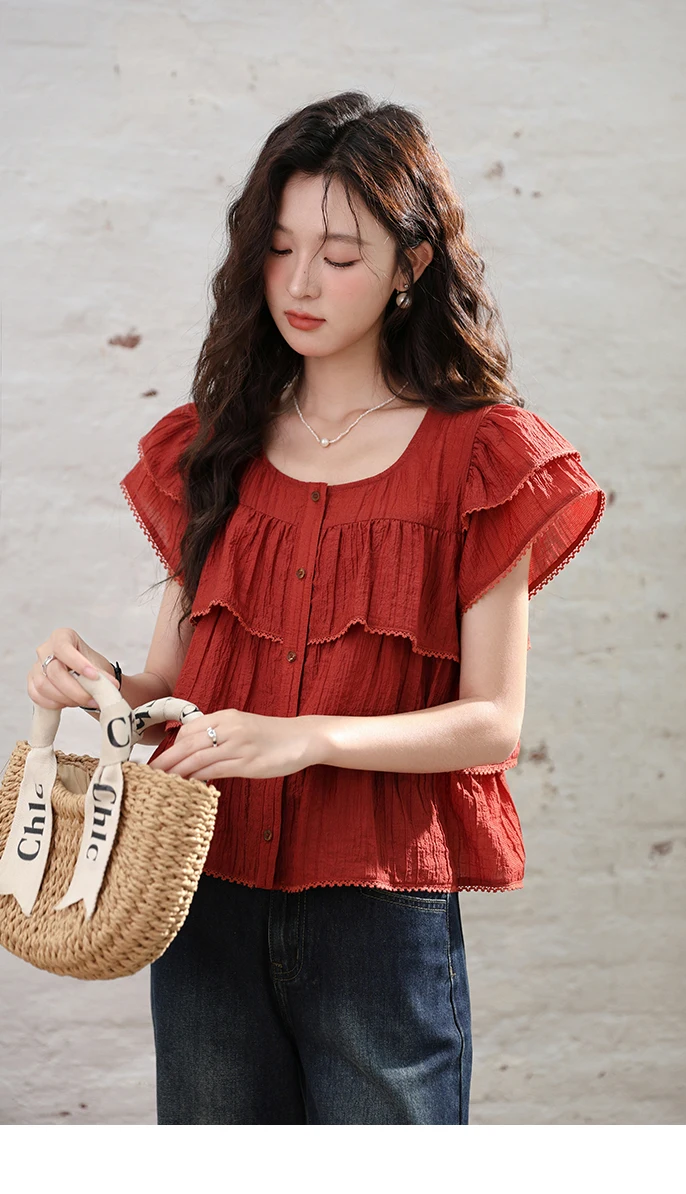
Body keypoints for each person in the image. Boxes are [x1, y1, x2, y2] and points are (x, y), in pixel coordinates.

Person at [29, 91, 607, 1125]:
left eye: (339, 256)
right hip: (201, 890)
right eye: (280, 248)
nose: (300, 283)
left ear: (410, 265)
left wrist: (309, 737)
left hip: (378, 913)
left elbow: (494, 722)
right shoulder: (212, 444)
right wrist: (94, 683)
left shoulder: (484, 457)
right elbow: (170, 683)